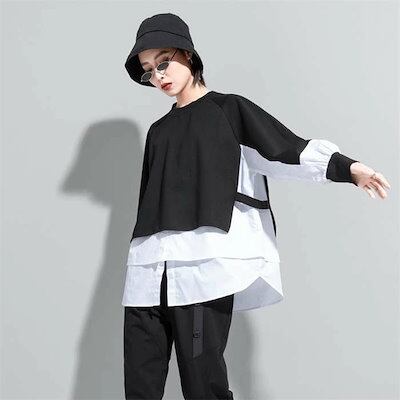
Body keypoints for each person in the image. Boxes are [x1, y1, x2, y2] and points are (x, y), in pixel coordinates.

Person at [121, 13, 391, 400]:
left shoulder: (229, 111)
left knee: (203, 386)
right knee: (139, 387)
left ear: (188, 55)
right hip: (147, 271)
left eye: (163, 62)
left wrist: (348, 168)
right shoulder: (158, 131)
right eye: (149, 71)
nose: (158, 76)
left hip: (203, 267)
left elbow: (285, 149)